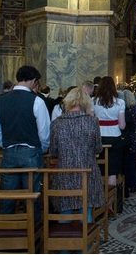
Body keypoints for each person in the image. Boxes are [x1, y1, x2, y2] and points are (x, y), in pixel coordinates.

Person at [0, 66, 50, 218]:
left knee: (7, 196)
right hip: (31, 151)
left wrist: (6, 145)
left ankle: (4, 232)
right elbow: (44, 132)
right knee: (32, 196)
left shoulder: (0, 101)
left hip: (9, 151)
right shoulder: (37, 101)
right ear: (33, 81)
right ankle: (32, 230)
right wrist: (41, 148)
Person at [49, 88, 105, 222]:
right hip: (87, 169)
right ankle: (85, 241)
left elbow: (53, 151)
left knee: (65, 207)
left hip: (65, 170)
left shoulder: (57, 123)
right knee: (86, 207)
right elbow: (98, 148)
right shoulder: (92, 122)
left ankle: (65, 239)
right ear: (85, 102)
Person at [92, 76, 126, 189]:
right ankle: (110, 199)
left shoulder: (93, 102)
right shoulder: (120, 102)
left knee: (98, 165)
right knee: (113, 168)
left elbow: (91, 122)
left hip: (99, 137)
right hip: (114, 136)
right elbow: (122, 126)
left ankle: (98, 194)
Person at [121, 89, 136, 195]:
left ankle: (126, 184)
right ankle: (133, 183)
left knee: (125, 161)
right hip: (134, 136)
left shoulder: (121, 109)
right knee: (132, 160)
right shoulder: (135, 108)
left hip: (124, 136)